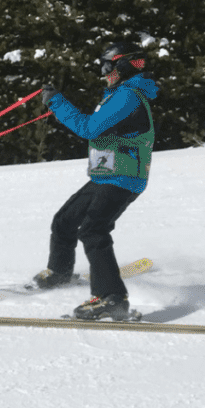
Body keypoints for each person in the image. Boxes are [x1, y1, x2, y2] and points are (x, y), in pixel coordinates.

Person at [33, 41, 159, 320]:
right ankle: (60, 272)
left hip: (124, 177)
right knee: (65, 219)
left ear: (122, 66)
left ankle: (111, 298)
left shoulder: (128, 97)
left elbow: (89, 128)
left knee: (93, 230)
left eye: (107, 66)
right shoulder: (119, 95)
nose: (103, 72)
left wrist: (57, 102)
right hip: (108, 174)